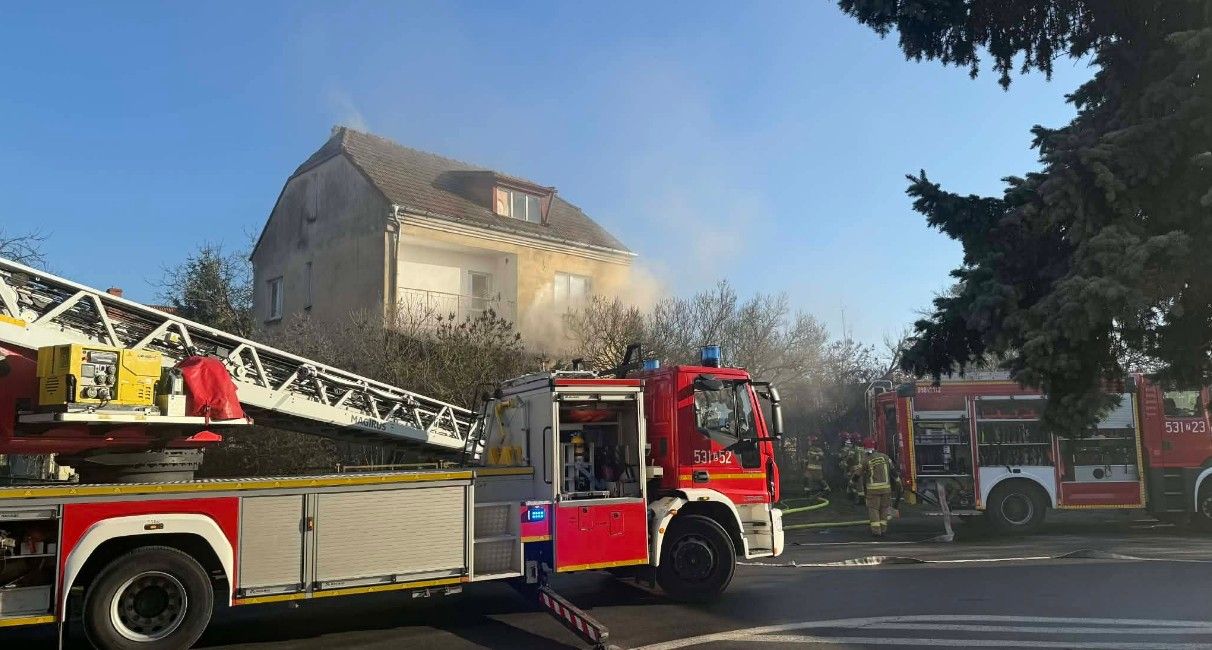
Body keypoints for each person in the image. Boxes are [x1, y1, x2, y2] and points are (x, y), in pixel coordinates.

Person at [853, 438, 900, 537]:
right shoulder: (885, 457)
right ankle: (883, 529)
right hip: (886, 489)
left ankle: (876, 531)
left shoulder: (865, 459)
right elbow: (893, 471)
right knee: (884, 508)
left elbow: (857, 474)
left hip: (873, 490)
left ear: (865, 448)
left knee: (873, 509)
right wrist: (897, 480)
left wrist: (851, 482)